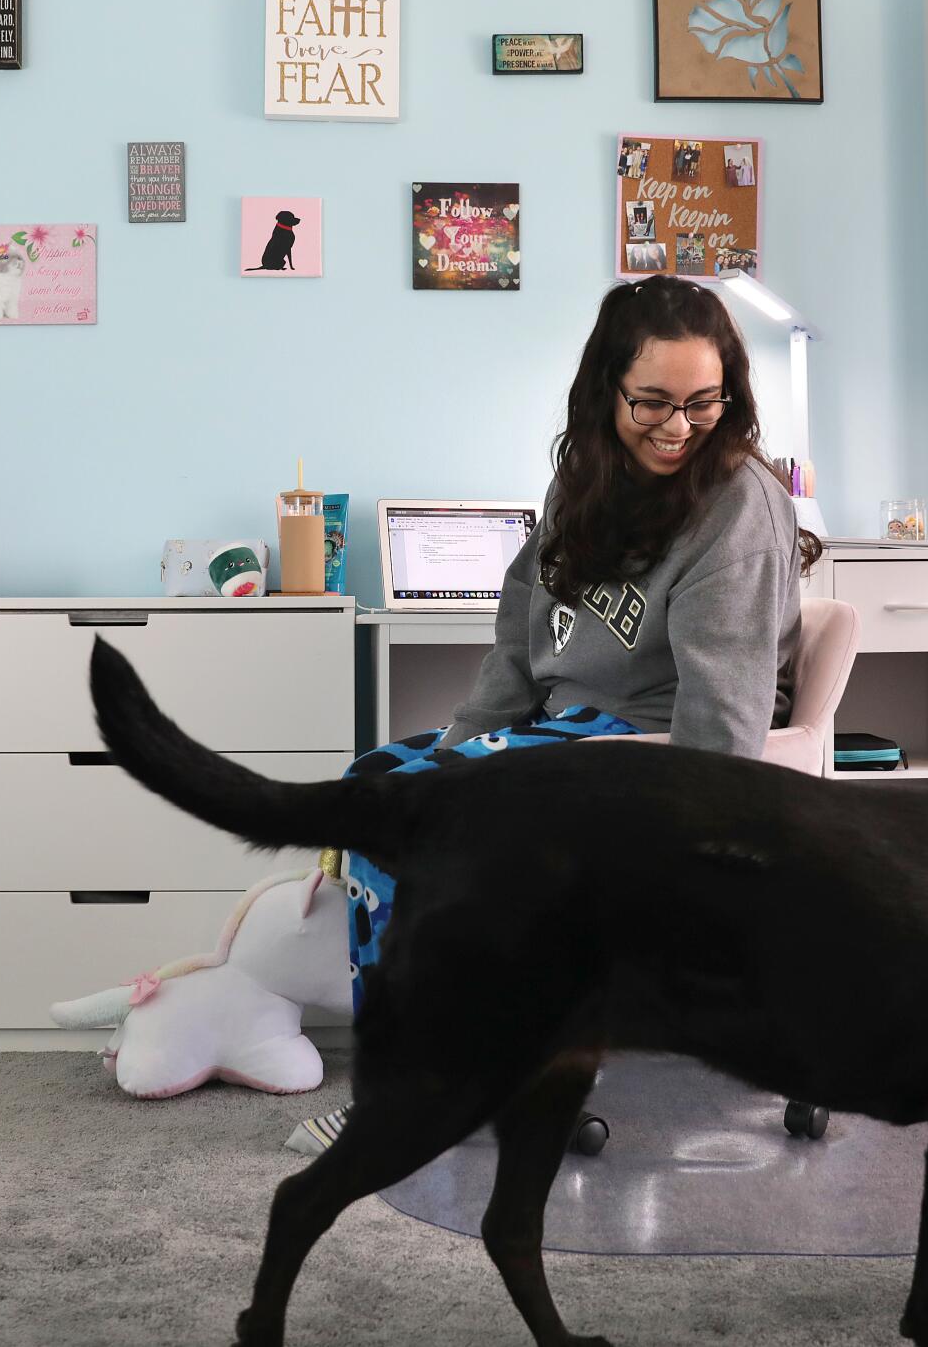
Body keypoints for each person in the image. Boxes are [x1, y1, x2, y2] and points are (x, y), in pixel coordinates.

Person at [288, 274, 821, 1154]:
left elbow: (723, 710)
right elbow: (516, 653)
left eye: (703, 402)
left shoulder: (737, 503)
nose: (678, 426)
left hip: (644, 747)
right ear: (606, 387)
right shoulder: (584, 482)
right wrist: (457, 747)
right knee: (371, 789)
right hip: (564, 729)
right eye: (650, 401)